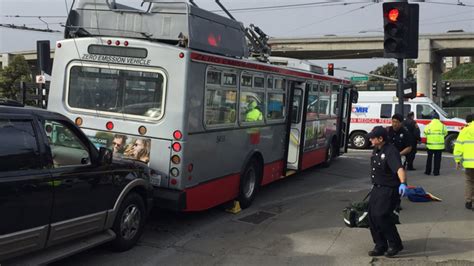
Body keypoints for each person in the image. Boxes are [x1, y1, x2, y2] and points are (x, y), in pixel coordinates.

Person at [366, 126, 407, 258]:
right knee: (371, 217)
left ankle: (395, 244)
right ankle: (380, 244)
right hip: (377, 188)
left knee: (381, 215)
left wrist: (402, 183)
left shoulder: (390, 151)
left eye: (373, 138)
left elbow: (399, 169)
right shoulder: (377, 149)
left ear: (380, 138)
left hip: (389, 188)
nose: (370, 139)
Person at [453, 114, 474, 210]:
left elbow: (458, 146)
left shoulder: (464, 131)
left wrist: (457, 160)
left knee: (469, 181)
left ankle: (469, 201)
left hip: (469, 163)